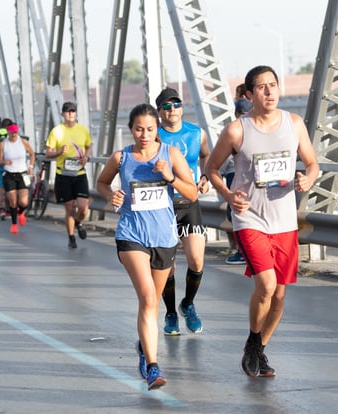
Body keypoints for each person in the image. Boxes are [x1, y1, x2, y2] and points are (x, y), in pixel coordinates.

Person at [206, 65, 319, 378]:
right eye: (262, 87)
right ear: (249, 94)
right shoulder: (237, 130)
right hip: (250, 219)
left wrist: (307, 179)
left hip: (284, 221)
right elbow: (212, 169)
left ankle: (257, 349)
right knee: (266, 286)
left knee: (280, 296)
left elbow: (312, 164)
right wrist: (228, 196)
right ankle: (254, 342)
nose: (269, 92)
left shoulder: (294, 124)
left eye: (273, 85)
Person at [96, 103, 197, 390]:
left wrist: (171, 178)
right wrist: (112, 195)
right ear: (130, 129)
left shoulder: (170, 154)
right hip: (131, 235)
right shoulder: (121, 157)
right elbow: (102, 183)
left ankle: (144, 345)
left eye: (150, 129)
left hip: (164, 237)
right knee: (149, 298)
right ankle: (153, 367)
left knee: (150, 305)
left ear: (157, 130)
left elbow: (192, 194)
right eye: (139, 129)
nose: (144, 134)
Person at [155, 86, 210, 335]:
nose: (172, 109)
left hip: (189, 202)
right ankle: (170, 313)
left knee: (196, 261)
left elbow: (206, 156)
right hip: (163, 206)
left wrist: (206, 176)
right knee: (169, 266)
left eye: (176, 104)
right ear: (159, 112)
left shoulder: (197, 134)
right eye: (167, 106)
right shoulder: (154, 136)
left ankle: (187, 304)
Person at [45, 102, 92, 248]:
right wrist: (59, 152)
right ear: (62, 114)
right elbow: (48, 153)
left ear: (76, 113)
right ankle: (71, 237)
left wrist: (86, 157)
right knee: (69, 207)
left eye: (73, 111)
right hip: (63, 174)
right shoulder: (56, 131)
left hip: (79, 173)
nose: (70, 114)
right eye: (67, 112)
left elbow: (89, 145)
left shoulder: (82, 130)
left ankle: (78, 222)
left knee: (83, 208)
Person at [223, 98, 253, 265]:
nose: (245, 118)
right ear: (235, 114)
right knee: (234, 214)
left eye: (248, 114)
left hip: (248, 178)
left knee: (242, 214)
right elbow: (219, 161)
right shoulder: (232, 132)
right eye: (242, 115)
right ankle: (243, 251)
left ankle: (244, 252)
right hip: (233, 176)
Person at [0, 123, 35, 233]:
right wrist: (4, 162)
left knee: (24, 202)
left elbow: (32, 154)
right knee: (13, 201)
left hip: (22, 174)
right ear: (8, 132)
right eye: (12, 132)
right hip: (9, 175)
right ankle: (14, 224)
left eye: (15, 132)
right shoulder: (3, 144)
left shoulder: (23, 142)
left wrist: (31, 166)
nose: (14, 134)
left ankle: (21, 212)